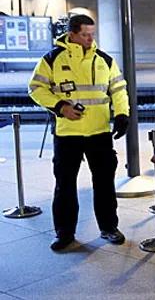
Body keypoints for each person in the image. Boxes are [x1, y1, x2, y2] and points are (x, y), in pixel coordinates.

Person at [28, 14, 129, 251]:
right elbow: (35, 88)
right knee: (65, 185)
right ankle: (64, 233)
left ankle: (109, 227)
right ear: (72, 34)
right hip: (67, 134)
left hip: (99, 132)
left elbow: (118, 89)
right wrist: (60, 107)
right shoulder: (52, 59)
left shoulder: (104, 59)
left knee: (104, 183)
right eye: (85, 34)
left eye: (92, 34)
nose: (90, 39)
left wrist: (122, 114)